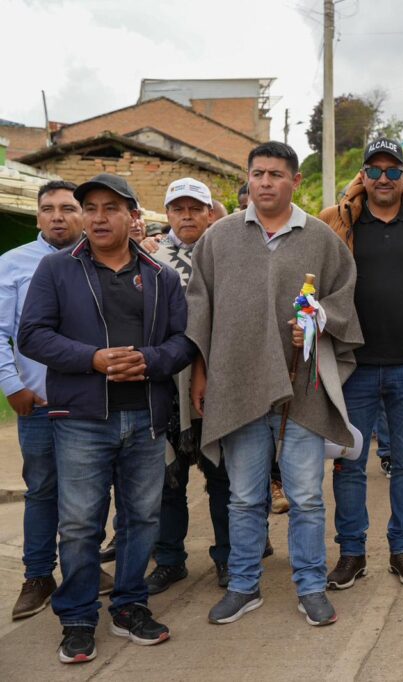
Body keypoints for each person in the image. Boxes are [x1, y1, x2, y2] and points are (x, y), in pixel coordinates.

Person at [18, 173, 195, 663]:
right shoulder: (56, 270)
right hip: (81, 417)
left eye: (110, 208)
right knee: (78, 524)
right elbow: (32, 335)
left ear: (132, 217)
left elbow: (183, 342)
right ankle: (76, 618)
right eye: (90, 207)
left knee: (142, 519)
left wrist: (151, 361)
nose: (98, 216)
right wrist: (93, 358)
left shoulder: (160, 275)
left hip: (145, 416)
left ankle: (130, 606)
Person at [188, 141, 362, 627]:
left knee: (305, 496)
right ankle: (244, 585)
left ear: (295, 181)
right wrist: (200, 373)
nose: (265, 182)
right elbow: (198, 311)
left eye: (276, 174)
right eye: (257, 173)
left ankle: (310, 585)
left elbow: (343, 297)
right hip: (237, 384)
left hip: (300, 388)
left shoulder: (321, 238)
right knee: (244, 497)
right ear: (248, 179)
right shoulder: (219, 237)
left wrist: (318, 321)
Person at [317, 138, 403, 590]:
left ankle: (402, 550)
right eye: (375, 170)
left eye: (393, 171)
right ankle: (352, 553)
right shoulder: (337, 221)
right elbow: (312, 289)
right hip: (353, 366)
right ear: (362, 176)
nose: (384, 179)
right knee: (349, 464)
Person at [3, 181, 116, 620]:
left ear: (83, 215)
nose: (57, 216)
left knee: (90, 494)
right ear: (36, 217)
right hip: (41, 403)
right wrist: (12, 385)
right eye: (47, 209)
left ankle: (82, 571)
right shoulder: (12, 265)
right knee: (44, 491)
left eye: (68, 208)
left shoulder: (101, 261)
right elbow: (0, 332)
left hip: (92, 399)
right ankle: (37, 576)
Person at [144, 178, 234, 594]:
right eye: (177, 208)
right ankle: (170, 560)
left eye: (194, 208)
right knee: (168, 480)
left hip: (220, 383)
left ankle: (229, 558)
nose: (186, 215)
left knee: (222, 478)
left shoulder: (228, 256)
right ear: (168, 215)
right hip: (166, 387)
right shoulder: (148, 261)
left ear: (209, 213)